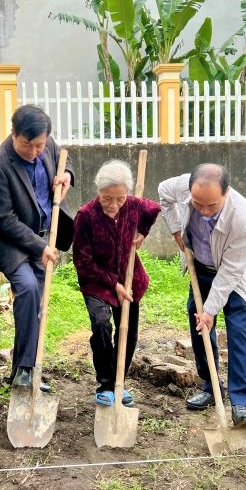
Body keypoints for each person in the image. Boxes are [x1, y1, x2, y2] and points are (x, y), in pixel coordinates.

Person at [158, 164, 246, 428]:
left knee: (237, 328)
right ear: (190, 189)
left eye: (211, 206)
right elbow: (163, 194)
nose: (203, 211)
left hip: (234, 273)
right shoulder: (181, 186)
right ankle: (210, 386)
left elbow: (230, 272)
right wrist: (175, 231)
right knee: (198, 323)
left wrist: (212, 309)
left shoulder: (243, 217)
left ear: (226, 193)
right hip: (200, 265)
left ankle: (240, 403)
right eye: (197, 203)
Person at [0, 105, 73, 391]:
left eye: (40, 146)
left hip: (45, 236)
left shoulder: (44, 143)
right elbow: (5, 219)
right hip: (10, 242)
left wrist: (66, 175)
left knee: (36, 302)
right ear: (13, 134)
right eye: (27, 145)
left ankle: (24, 370)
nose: (35, 152)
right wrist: (39, 247)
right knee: (28, 288)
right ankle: (25, 367)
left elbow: (63, 161)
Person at [73, 160, 161, 407]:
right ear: (98, 192)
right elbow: (83, 261)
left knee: (128, 332)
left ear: (127, 194)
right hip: (97, 281)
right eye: (107, 199)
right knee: (101, 325)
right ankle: (106, 383)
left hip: (129, 278)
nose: (113, 205)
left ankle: (119, 382)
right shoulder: (85, 216)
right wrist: (114, 284)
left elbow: (153, 209)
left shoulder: (134, 206)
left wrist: (142, 231)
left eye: (119, 199)